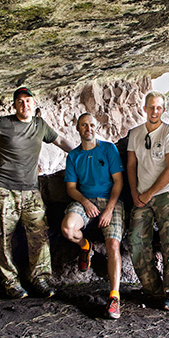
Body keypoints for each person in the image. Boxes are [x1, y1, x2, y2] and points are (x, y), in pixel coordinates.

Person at [0, 87, 74, 299]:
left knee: (39, 233)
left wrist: (83, 153)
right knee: (3, 236)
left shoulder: (40, 125)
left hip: (31, 190)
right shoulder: (2, 123)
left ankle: (39, 279)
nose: (24, 105)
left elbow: (60, 141)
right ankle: (11, 283)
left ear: (34, 104)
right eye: (20, 101)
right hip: (3, 188)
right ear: (15, 105)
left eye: (28, 101)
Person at [60, 113, 125, 319]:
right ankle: (85, 246)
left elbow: (118, 182)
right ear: (78, 128)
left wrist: (108, 210)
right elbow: (70, 188)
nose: (88, 128)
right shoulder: (74, 156)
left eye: (92, 125)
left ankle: (114, 296)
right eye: (84, 125)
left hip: (110, 202)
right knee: (68, 228)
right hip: (85, 200)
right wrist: (85, 202)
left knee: (113, 244)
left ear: (96, 127)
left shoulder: (108, 149)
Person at [126, 91, 169, 311]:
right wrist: (135, 193)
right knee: (136, 241)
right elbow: (131, 165)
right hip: (140, 195)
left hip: (165, 194)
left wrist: (149, 193)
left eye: (158, 107)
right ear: (144, 108)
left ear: (163, 109)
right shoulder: (135, 134)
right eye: (151, 107)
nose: (154, 111)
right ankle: (153, 289)